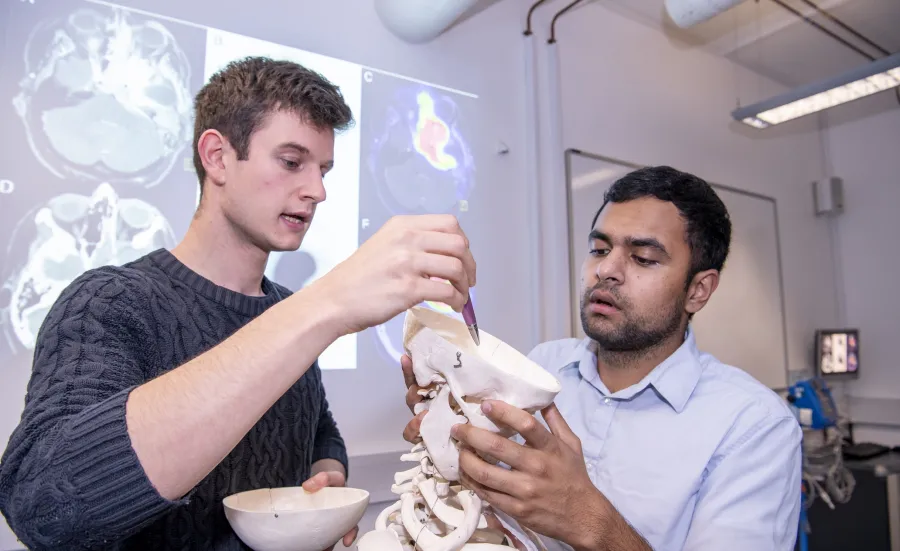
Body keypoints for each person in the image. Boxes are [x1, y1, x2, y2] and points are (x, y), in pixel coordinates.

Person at [0, 56, 477, 550]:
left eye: (323, 169)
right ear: (217, 156)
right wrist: (326, 303)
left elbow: (318, 432)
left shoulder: (286, 311)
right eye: (292, 162)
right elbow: (43, 507)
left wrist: (325, 478)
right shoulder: (109, 302)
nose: (317, 191)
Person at [401, 166, 802, 551]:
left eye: (643, 258)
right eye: (599, 249)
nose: (606, 270)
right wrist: (453, 436)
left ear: (698, 290)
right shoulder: (544, 365)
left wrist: (588, 520)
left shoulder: (754, 426)